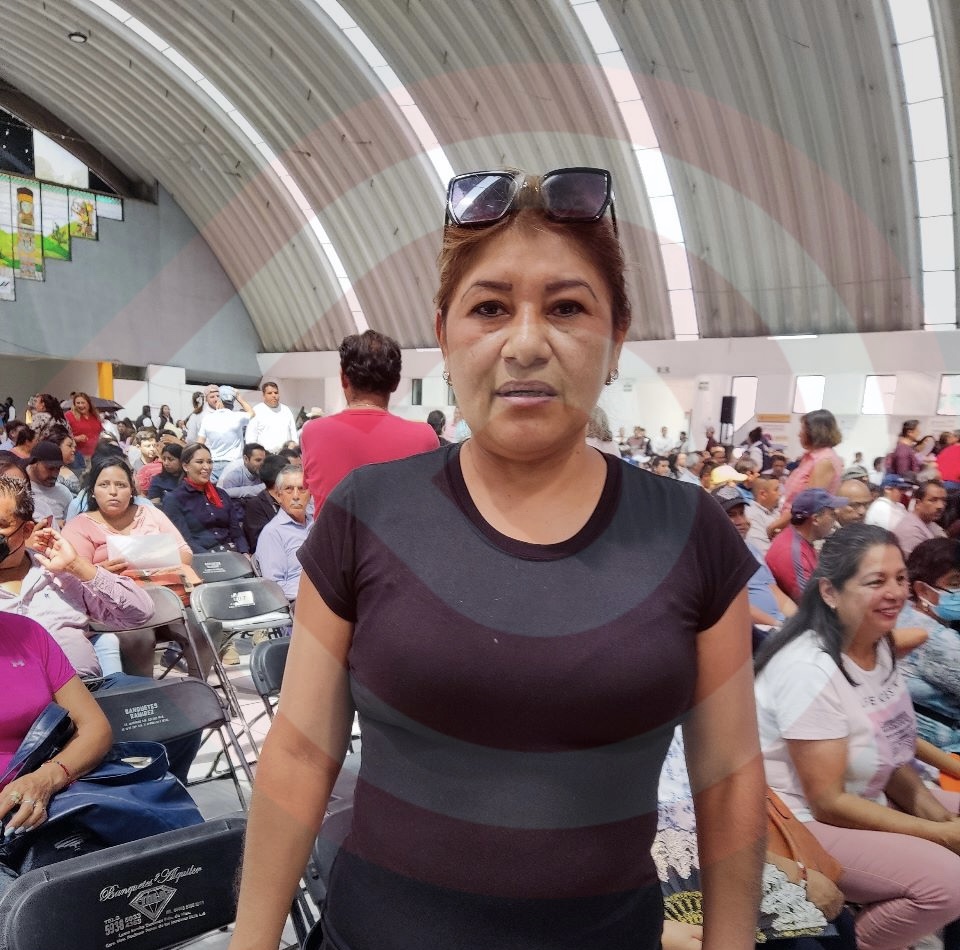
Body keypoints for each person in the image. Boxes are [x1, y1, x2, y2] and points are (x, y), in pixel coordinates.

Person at [232, 165, 765, 950]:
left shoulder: (690, 533)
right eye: (490, 308)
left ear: (617, 338)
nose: (525, 343)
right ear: (445, 335)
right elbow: (303, 751)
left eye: (567, 308)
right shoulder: (366, 514)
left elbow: (728, 778)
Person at [755, 524, 960, 950]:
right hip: (801, 818)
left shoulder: (876, 644)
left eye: (900, 578)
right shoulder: (808, 670)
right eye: (876, 581)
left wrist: (940, 822)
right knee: (948, 884)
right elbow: (828, 802)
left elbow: (890, 756)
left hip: (864, 793)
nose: (895, 592)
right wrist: (937, 834)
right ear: (830, 592)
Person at [0, 614, 113, 895]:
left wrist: (46, 778)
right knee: (29, 910)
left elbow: (94, 727)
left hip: (52, 807)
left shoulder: (25, 633)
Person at [299, 330, 439, 512]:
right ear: (396, 382)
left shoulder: (313, 432)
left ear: (343, 379)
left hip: (334, 532)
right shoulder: (424, 437)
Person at [61, 456, 193, 575]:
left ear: (131, 490)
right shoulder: (78, 527)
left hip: (164, 588)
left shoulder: (151, 514)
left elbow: (185, 553)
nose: (113, 492)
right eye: (104, 485)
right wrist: (99, 572)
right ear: (93, 492)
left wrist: (158, 569)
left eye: (121, 485)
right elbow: (76, 572)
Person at [896, 538, 960, 753]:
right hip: (945, 747)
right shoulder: (938, 639)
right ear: (922, 590)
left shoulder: (904, 610)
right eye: (955, 584)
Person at [161, 443, 248, 555]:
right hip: (201, 557)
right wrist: (212, 560)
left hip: (231, 552)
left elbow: (236, 532)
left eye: (209, 462)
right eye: (200, 462)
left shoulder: (221, 494)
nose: (207, 467)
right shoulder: (174, 499)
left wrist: (244, 552)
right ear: (185, 466)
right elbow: (185, 541)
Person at [765, 488, 848, 602]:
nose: (834, 519)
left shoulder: (799, 539)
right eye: (832, 514)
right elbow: (811, 602)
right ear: (816, 519)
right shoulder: (791, 552)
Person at [254, 465, 311, 603]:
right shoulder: (272, 533)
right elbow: (274, 586)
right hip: (300, 602)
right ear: (279, 496)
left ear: (310, 494)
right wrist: (315, 593)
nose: (296, 496)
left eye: (302, 489)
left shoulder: (318, 524)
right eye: (289, 489)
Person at [783, 410, 844, 504]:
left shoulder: (824, 461)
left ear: (814, 432)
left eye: (803, 429)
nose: (799, 434)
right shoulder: (811, 457)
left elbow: (810, 505)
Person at [197, 385, 254, 481]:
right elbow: (252, 413)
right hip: (234, 464)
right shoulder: (237, 417)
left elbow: (199, 443)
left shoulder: (207, 419)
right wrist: (239, 397)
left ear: (219, 400)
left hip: (214, 464)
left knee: (214, 490)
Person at [893, 478, 947, 558]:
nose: (941, 506)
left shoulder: (930, 523)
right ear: (918, 503)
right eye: (933, 500)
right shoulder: (910, 531)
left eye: (943, 500)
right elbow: (922, 564)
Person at [25, 442, 72, 526]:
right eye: (50, 468)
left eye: (58, 468)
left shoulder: (64, 493)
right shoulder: (20, 487)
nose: (55, 474)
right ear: (34, 463)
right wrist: (53, 524)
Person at [244, 382, 298, 454]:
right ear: (264, 395)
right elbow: (251, 436)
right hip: (266, 455)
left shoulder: (286, 410)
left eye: (276, 393)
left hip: (285, 455)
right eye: (269, 393)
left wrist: (295, 449)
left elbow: (293, 433)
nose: (274, 395)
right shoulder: (257, 411)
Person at [745, 473, 789, 556]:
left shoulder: (774, 510)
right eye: (776, 490)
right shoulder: (752, 516)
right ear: (763, 494)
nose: (780, 494)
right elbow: (763, 554)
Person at [64, 393, 102, 470]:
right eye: (78, 403)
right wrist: (75, 439)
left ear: (88, 403)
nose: (80, 405)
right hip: (77, 456)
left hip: (96, 455)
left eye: (83, 402)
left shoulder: (95, 415)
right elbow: (62, 435)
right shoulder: (69, 416)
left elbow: (100, 432)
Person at [146, 442, 183, 507]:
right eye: (164, 459)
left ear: (181, 460)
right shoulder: (158, 480)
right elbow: (154, 505)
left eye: (171, 459)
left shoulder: (190, 478)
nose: (166, 463)